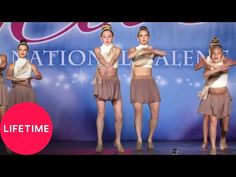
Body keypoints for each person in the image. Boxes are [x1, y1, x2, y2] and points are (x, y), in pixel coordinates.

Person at [128, 26, 166, 151]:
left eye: (145, 35)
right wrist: (142, 51)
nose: (143, 38)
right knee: (138, 113)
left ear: (148, 37)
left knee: (155, 112)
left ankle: (150, 138)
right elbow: (130, 56)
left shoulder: (152, 50)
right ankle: (139, 139)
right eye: (141, 35)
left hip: (150, 82)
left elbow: (163, 53)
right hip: (137, 82)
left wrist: (151, 51)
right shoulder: (133, 49)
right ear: (137, 38)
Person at [197, 37, 236, 154]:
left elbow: (233, 62)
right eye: (214, 53)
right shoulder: (208, 64)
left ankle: (223, 139)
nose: (216, 55)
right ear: (210, 53)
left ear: (222, 54)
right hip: (211, 96)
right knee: (212, 121)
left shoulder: (225, 61)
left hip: (224, 97)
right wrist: (214, 66)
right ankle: (213, 147)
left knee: (225, 127)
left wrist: (224, 64)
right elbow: (205, 74)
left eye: (219, 53)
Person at [93, 24, 125, 153]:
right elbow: (101, 58)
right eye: (104, 37)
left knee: (119, 116)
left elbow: (113, 60)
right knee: (101, 113)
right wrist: (106, 64)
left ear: (113, 37)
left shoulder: (117, 49)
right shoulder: (97, 49)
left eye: (109, 36)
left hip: (114, 82)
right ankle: (99, 141)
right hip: (101, 82)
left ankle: (118, 141)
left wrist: (108, 64)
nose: (107, 39)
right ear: (101, 38)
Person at [6, 39, 42, 108]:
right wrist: (17, 80)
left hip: (28, 90)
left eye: (25, 50)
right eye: (20, 49)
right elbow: (8, 76)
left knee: (28, 114)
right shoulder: (12, 65)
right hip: (16, 90)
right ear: (17, 51)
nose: (22, 52)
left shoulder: (31, 65)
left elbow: (39, 76)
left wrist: (32, 77)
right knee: (15, 114)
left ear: (27, 52)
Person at [0, 54, 8, 121]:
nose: (4, 63)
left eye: (5, 61)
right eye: (2, 61)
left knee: (3, 118)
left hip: (2, 92)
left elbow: (3, 67)